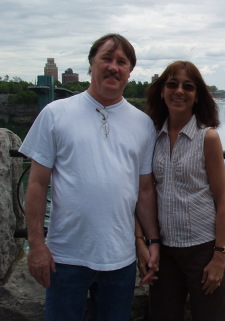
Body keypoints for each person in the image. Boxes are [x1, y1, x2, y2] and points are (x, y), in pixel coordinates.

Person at [19, 33, 160, 321]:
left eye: (122, 62)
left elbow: (144, 190)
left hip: (120, 260)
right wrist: (36, 245)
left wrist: (152, 242)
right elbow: (36, 184)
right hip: (65, 257)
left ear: (130, 72)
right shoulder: (56, 114)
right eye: (106, 59)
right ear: (91, 65)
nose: (114, 67)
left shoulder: (143, 124)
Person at [142, 61, 225, 321]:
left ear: (197, 95)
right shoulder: (152, 135)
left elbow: (223, 200)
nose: (179, 91)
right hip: (164, 250)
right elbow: (143, 190)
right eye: (172, 84)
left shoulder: (208, 137)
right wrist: (147, 242)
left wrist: (219, 256)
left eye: (188, 87)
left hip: (202, 249)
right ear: (161, 91)